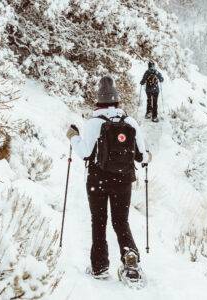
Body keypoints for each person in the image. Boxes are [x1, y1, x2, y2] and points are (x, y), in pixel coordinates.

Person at [66, 76, 151, 283]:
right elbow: (142, 157)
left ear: (98, 100)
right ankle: (130, 258)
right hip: (123, 181)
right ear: (117, 100)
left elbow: (85, 153)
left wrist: (73, 136)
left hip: (97, 180)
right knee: (121, 221)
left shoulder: (93, 123)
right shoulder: (129, 122)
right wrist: (150, 155)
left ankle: (100, 267)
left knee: (99, 221)